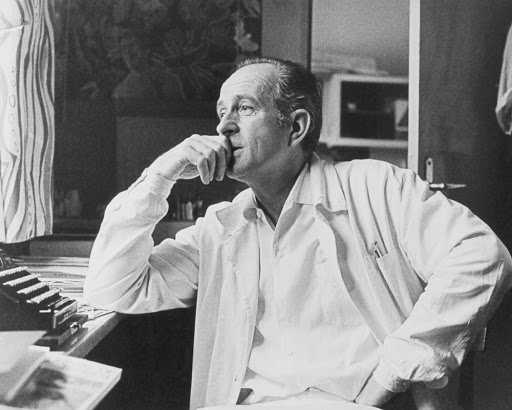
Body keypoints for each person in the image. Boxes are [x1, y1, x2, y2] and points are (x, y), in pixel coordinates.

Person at [84, 57, 512, 410]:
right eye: (221, 112)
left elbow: (482, 256)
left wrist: (392, 374)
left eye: (244, 108)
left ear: (296, 126)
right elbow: (113, 289)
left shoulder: (375, 186)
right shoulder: (221, 228)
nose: (224, 127)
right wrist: (160, 175)